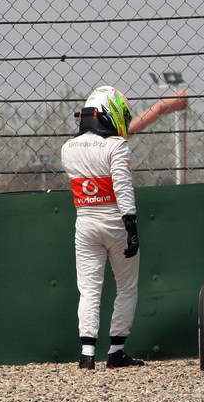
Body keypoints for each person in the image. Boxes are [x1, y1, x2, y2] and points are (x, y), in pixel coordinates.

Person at [60, 85, 145, 370]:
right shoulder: (116, 146)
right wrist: (131, 226)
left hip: (84, 223)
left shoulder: (67, 149)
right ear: (109, 114)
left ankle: (86, 355)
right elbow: (122, 187)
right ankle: (116, 352)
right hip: (116, 223)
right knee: (126, 288)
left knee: (89, 290)